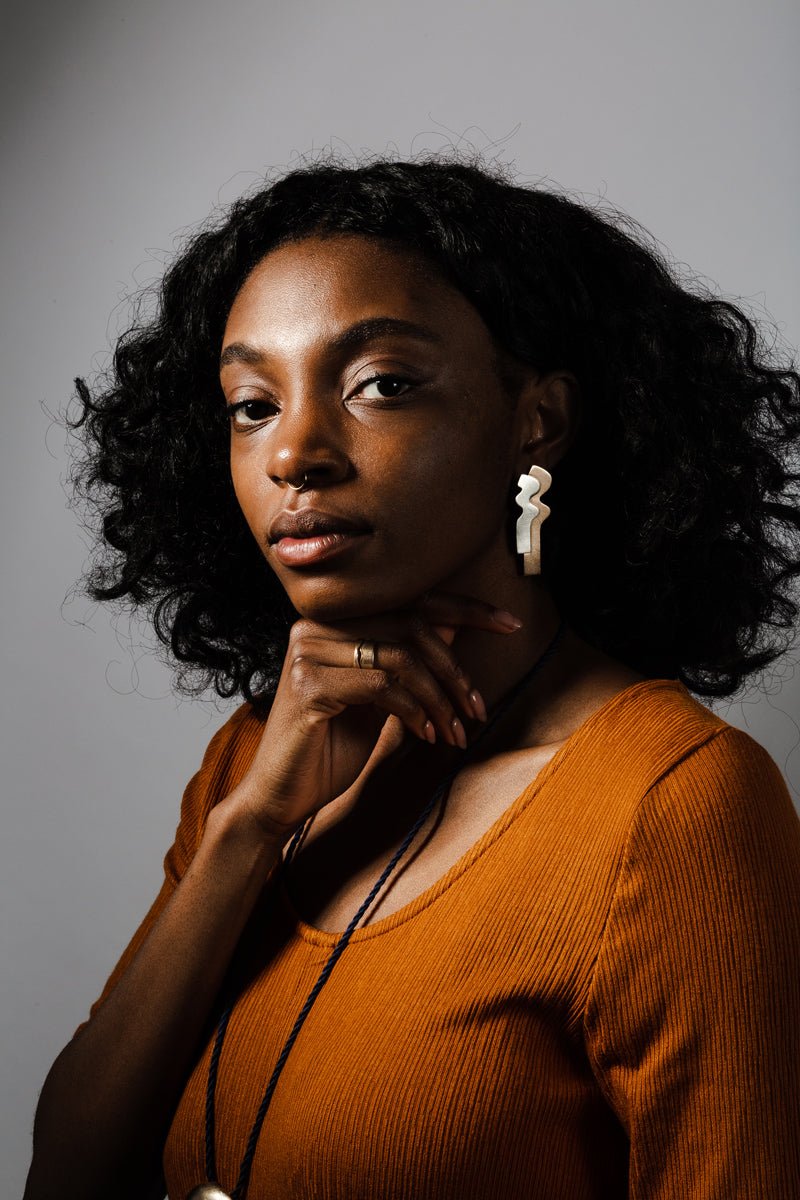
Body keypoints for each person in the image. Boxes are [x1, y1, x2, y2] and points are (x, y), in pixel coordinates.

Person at [25, 155, 800, 1200]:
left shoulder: (670, 806)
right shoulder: (256, 761)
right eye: (251, 404)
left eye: (378, 384)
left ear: (537, 421)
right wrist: (247, 830)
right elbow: (68, 1174)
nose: (294, 451)